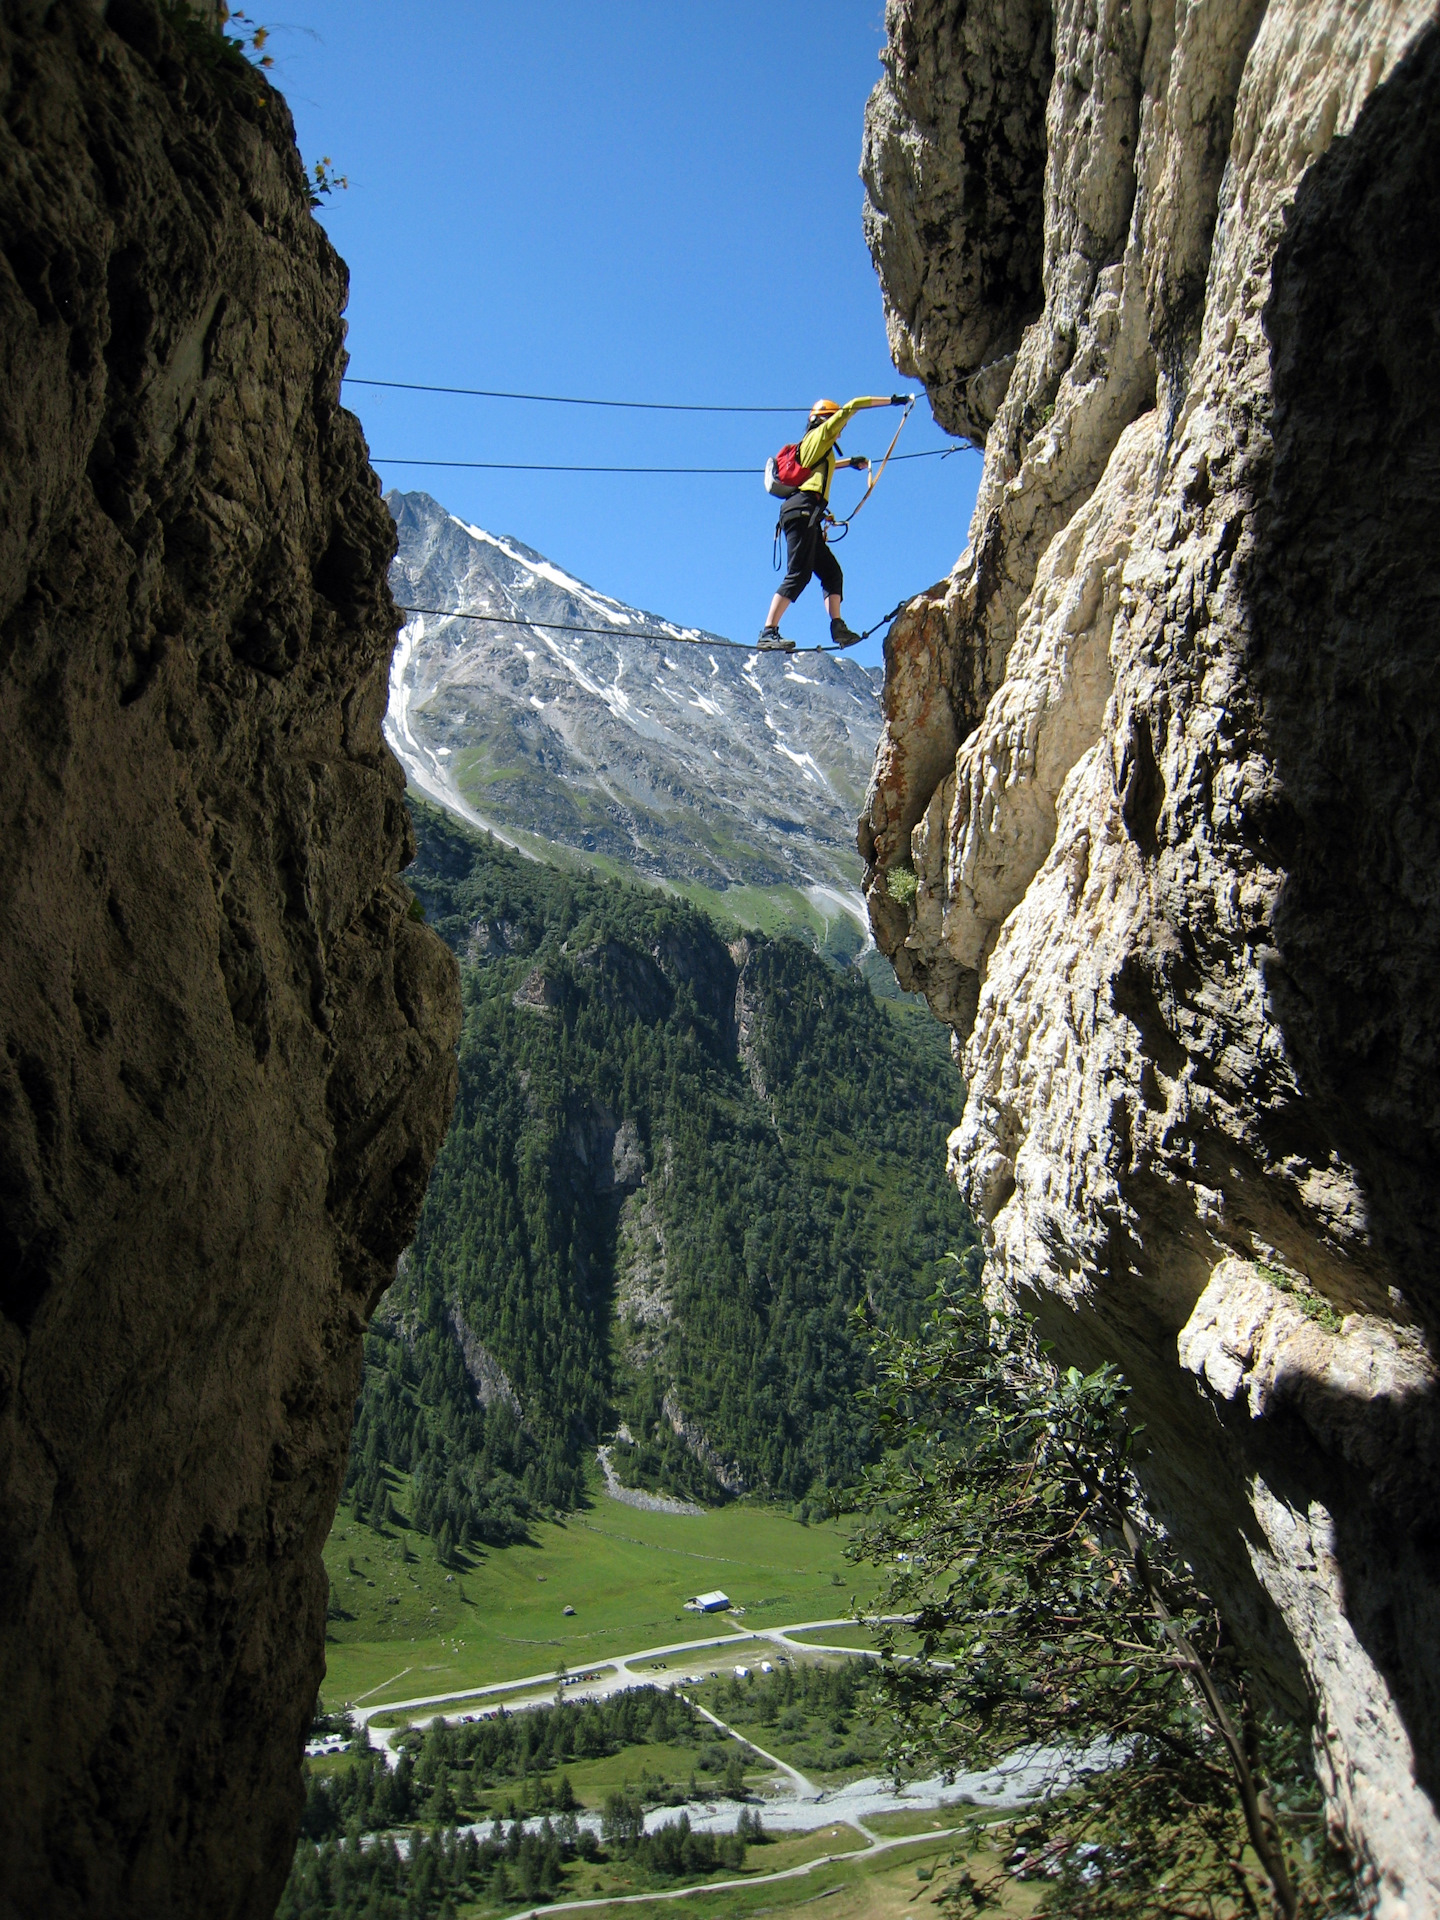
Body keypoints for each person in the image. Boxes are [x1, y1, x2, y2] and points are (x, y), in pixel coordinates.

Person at [758, 395, 907, 652]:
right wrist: (894, 401)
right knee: (799, 573)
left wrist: (850, 463)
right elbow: (855, 404)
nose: (841, 431)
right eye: (839, 424)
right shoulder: (820, 436)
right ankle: (768, 631)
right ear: (826, 419)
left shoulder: (816, 447)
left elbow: (821, 468)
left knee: (831, 572)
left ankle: (838, 627)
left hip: (807, 514)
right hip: (802, 512)